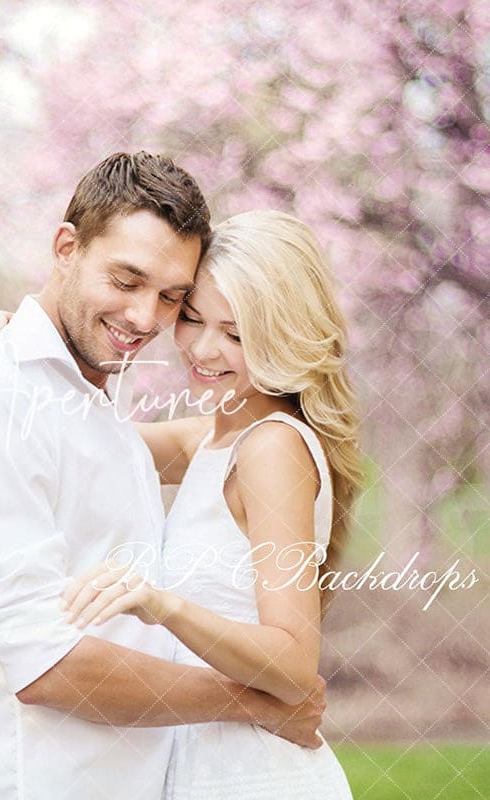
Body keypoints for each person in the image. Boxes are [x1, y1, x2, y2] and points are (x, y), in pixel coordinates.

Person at [0, 154, 326, 800]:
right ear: (66, 247)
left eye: (171, 298)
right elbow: (45, 664)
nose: (144, 318)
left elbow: (196, 446)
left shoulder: (89, 404)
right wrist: (253, 703)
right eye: (126, 280)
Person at [61, 210, 361, 798]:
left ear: (284, 332)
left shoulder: (271, 449)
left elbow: (295, 661)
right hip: (204, 756)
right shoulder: (212, 437)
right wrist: (29, 342)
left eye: (236, 333)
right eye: (192, 318)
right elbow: (81, 439)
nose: (202, 349)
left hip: (253, 775)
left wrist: (161, 605)